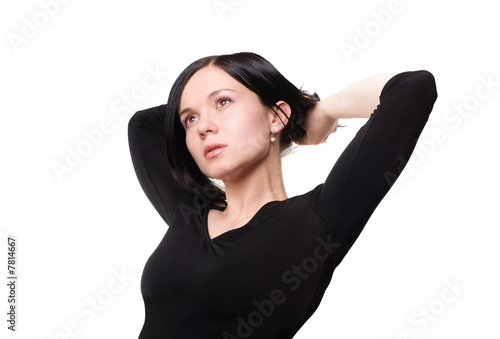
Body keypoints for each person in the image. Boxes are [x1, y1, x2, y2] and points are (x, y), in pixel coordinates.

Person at [127, 52, 438, 339]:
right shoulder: (190, 213)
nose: (203, 127)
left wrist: (322, 110)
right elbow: (142, 125)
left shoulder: (317, 223)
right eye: (189, 119)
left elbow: (413, 88)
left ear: (276, 116)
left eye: (222, 102)